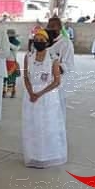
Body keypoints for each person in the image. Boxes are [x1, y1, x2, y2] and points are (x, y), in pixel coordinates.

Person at [22, 29, 66, 168]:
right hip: (31, 96)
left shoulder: (53, 58)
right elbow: (25, 77)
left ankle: (48, 156)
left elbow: (56, 81)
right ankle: (34, 156)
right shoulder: (28, 57)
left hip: (47, 96)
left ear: (47, 42)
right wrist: (31, 92)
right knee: (33, 126)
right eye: (36, 40)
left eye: (42, 40)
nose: (39, 42)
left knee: (48, 126)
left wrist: (39, 94)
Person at [3, 29, 21, 98]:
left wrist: (7, 43)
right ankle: (3, 92)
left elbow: (15, 48)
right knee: (4, 78)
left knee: (12, 78)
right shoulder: (4, 42)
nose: (10, 38)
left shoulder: (17, 43)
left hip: (12, 62)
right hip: (4, 61)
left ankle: (13, 92)